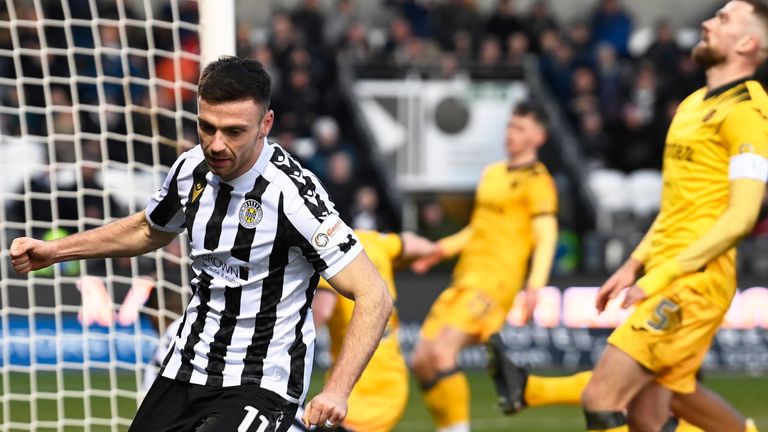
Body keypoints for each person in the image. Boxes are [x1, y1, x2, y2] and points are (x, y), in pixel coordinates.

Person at [10, 56, 393, 432]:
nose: (216, 145)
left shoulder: (294, 196)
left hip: (260, 381)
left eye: (234, 131)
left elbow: (374, 296)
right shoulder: (190, 168)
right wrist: (55, 251)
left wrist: (338, 391)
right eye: (206, 127)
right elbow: (150, 229)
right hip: (187, 364)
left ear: (266, 124)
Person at [579, 1, 768, 431]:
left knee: (602, 397)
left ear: (747, 42)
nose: (705, 22)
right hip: (668, 272)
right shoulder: (691, 105)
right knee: (652, 413)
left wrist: (659, 279)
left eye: (721, 19)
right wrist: (633, 264)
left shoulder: (749, 113)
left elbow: (742, 216)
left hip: (696, 281)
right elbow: (675, 207)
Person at [408, 100, 559, 431]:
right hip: (464, 278)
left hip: (496, 284)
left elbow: (546, 235)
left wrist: (536, 285)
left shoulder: (538, 182)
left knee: (443, 350)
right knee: (421, 359)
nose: (511, 134)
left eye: (520, 128)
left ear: (539, 136)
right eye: (510, 126)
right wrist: (441, 249)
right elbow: (477, 229)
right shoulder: (492, 173)